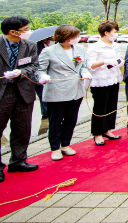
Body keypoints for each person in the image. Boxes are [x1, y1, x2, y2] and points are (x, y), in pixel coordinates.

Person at [0, 16, 39, 183]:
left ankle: (18, 161)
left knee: (22, 129)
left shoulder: (30, 45)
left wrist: (22, 72)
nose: (28, 32)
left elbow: (34, 65)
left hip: (22, 91)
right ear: (13, 32)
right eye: (26, 29)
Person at [37, 25, 91, 160]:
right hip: (57, 91)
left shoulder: (79, 49)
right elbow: (40, 70)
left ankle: (65, 144)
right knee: (56, 120)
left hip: (75, 89)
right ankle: (55, 148)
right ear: (67, 38)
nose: (78, 39)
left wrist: (85, 72)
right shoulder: (49, 51)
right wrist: (43, 77)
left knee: (71, 119)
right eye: (76, 36)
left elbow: (82, 66)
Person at [86, 21, 124, 146]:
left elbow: (119, 58)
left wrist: (119, 62)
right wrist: (104, 61)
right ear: (106, 33)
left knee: (111, 106)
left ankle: (107, 129)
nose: (116, 34)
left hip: (113, 78)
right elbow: (90, 65)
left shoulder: (114, 45)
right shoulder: (95, 47)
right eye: (114, 32)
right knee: (100, 107)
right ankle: (97, 133)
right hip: (100, 80)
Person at [35, 36, 52, 120]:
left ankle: (47, 111)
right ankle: (45, 113)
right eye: (51, 39)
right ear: (45, 39)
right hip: (39, 74)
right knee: (42, 93)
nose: (53, 41)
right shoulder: (37, 47)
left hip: (48, 75)